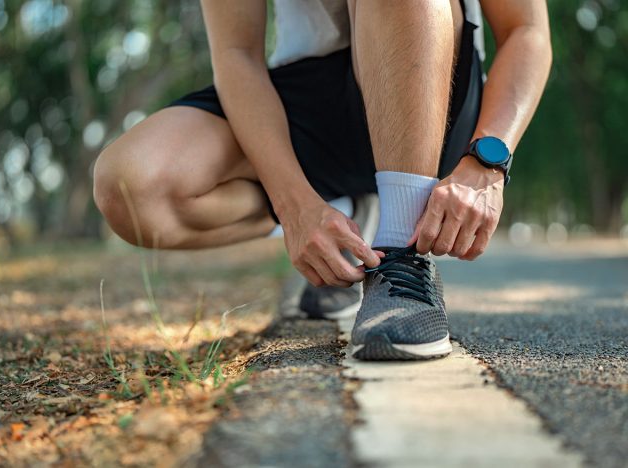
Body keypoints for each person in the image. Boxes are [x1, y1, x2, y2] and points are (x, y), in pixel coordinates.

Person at [93, 0, 552, 360]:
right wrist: (296, 207)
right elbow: (236, 55)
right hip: (308, 91)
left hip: (435, 82)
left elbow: (525, 30)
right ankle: (350, 214)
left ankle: (400, 260)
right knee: (131, 189)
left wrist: (488, 162)